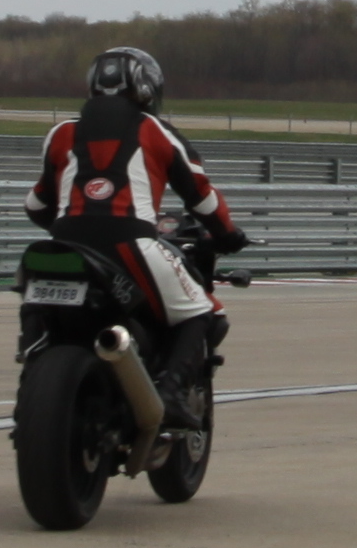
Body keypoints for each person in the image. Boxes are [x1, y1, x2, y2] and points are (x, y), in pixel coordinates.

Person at [32, 48, 251, 371]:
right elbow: (202, 198)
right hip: (131, 243)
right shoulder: (156, 130)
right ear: (147, 88)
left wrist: (75, 224)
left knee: (36, 303)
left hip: (65, 245)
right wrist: (228, 235)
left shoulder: (60, 133)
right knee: (202, 311)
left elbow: (36, 205)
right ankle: (173, 392)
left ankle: (33, 359)